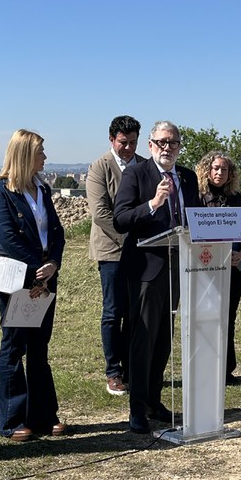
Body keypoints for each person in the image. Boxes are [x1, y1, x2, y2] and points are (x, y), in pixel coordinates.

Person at [114, 120, 201, 433]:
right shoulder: (136, 174)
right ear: (150, 145)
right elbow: (121, 219)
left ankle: (154, 400)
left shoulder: (188, 177)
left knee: (163, 339)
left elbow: (195, 219)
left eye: (173, 142)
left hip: (179, 266)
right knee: (143, 340)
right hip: (146, 269)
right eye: (162, 142)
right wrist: (152, 204)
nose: (167, 148)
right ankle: (137, 408)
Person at [0, 129, 66, 442]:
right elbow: (8, 237)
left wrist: (54, 263)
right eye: (40, 152)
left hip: (45, 275)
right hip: (17, 278)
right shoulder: (1, 191)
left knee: (39, 346)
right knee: (14, 345)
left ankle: (43, 416)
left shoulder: (42, 188)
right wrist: (36, 271)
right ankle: (12, 419)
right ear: (24, 154)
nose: (45, 157)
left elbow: (57, 232)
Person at [86, 115, 144, 396]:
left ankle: (133, 368)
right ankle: (113, 371)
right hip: (112, 251)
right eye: (123, 143)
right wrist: (128, 239)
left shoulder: (145, 165)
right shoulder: (99, 167)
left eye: (133, 142)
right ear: (111, 140)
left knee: (136, 311)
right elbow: (100, 213)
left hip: (142, 250)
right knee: (113, 312)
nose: (128, 148)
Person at [195, 151, 241, 385]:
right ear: (207, 170)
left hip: (233, 267)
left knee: (228, 316)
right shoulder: (197, 196)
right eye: (216, 168)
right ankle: (205, 367)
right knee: (206, 317)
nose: (220, 173)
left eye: (224, 169)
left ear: (231, 174)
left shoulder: (235, 197)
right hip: (205, 267)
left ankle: (226, 369)